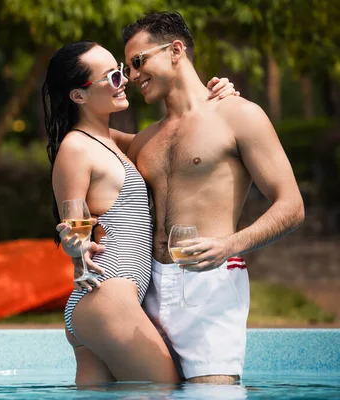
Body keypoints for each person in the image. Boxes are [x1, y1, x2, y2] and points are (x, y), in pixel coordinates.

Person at [60, 12, 305, 385]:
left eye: (138, 62)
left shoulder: (239, 115)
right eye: (125, 68)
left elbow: (291, 206)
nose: (131, 76)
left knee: (211, 394)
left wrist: (228, 245)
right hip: (148, 290)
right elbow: (85, 132)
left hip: (208, 284)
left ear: (176, 50)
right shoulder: (143, 141)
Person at [44, 40, 238, 386]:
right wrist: (76, 246)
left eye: (121, 70)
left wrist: (213, 100)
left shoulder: (109, 141)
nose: (125, 79)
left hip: (103, 303)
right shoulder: (76, 148)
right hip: (108, 296)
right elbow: (73, 225)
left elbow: (175, 141)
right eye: (113, 77)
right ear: (79, 96)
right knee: (167, 392)